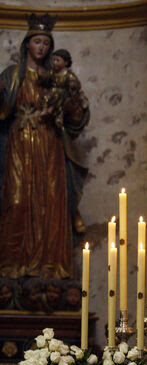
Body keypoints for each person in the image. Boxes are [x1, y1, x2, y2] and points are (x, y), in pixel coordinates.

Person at [0, 14, 89, 279]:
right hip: (19, 140)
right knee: (16, 201)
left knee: (50, 202)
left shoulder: (57, 78)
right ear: (28, 43)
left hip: (49, 142)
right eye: (38, 42)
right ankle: (11, 263)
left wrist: (73, 103)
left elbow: (75, 119)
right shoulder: (11, 75)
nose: (42, 48)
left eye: (46, 44)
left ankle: (50, 267)